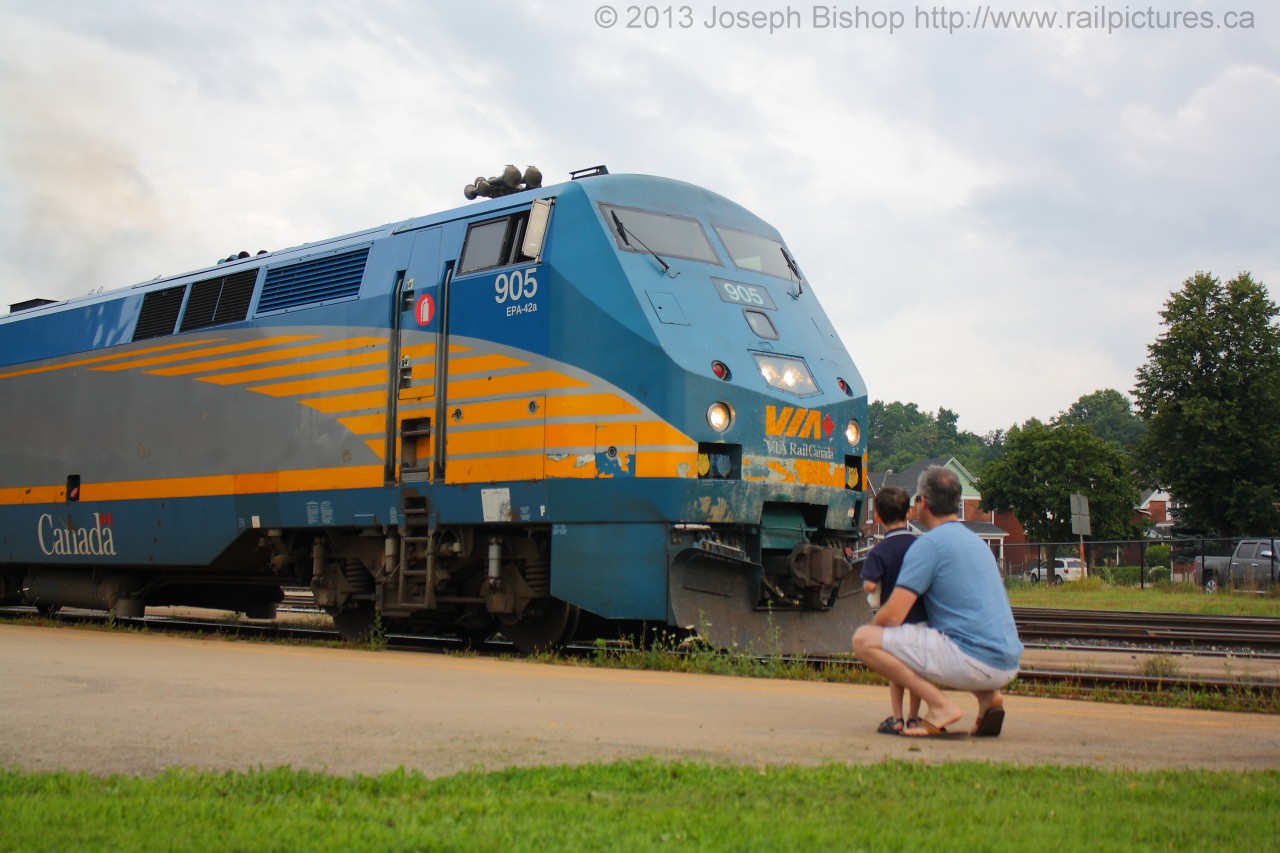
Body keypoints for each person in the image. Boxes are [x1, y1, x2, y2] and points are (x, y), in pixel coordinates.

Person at [852, 465, 1023, 737]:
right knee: (947, 630)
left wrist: (876, 627)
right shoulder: (977, 543)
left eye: (917, 498)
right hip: (1007, 662)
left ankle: (940, 706)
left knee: (863, 639)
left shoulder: (928, 545)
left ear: (924, 504)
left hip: (973, 661)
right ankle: (988, 699)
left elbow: (894, 615)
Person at [859, 485, 927, 735]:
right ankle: (913, 719)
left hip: (892, 623)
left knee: (897, 672)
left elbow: (869, 584)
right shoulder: (920, 546)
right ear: (909, 514)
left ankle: (897, 718)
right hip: (920, 619)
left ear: (877, 517)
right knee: (916, 671)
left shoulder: (878, 551)